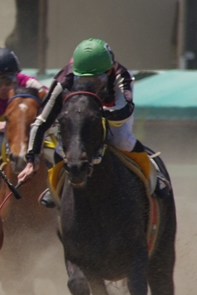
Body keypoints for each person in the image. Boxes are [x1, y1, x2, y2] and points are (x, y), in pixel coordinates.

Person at [16, 38, 171, 205]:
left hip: (113, 115)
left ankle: (153, 175)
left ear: (109, 71)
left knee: (122, 140)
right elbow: (41, 121)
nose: (89, 85)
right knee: (62, 149)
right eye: (82, 80)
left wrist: (95, 114)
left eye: (96, 80)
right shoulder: (64, 79)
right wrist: (31, 161)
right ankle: (55, 186)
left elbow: (125, 110)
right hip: (79, 116)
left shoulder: (121, 75)